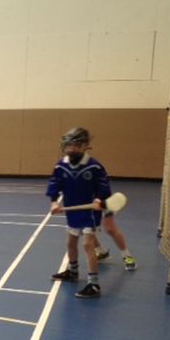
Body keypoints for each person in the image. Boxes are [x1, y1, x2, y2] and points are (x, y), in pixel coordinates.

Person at [47, 127, 113, 298]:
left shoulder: (94, 166)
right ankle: (72, 271)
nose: (71, 149)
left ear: (85, 146)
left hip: (89, 212)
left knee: (87, 245)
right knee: (70, 243)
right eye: (68, 145)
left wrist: (99, 200)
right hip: (72, 211)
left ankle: (94, 284)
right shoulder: (61, 165)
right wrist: (54, 201)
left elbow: (104, 187)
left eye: (75, 145)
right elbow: (54, 184)